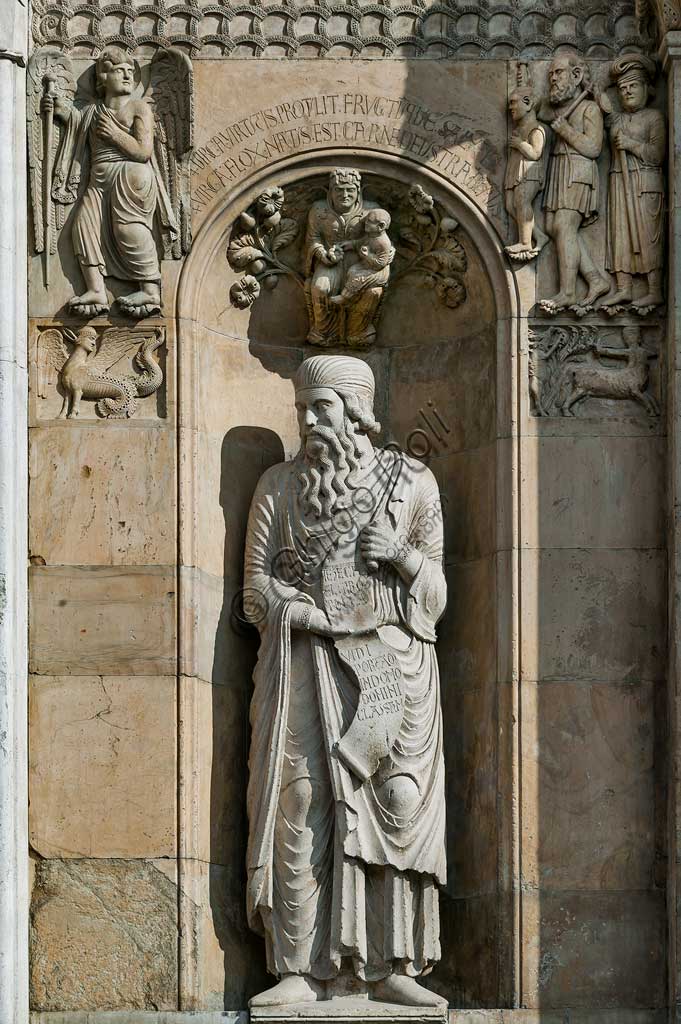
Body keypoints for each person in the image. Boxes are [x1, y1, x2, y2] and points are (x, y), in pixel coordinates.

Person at [243, 355, 447, 1008]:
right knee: (301, 804)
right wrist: (298, 612)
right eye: (303, 407)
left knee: (395, 802)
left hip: (391, 668)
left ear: (355, 410)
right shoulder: (277, 487)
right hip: (305, 662)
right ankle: (298, 967)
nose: (305, 419)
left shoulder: (413, 482)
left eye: (320, 407)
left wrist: (402, 556)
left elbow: (438, 593)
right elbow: (254, 590)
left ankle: (393, 965)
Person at [45, 46, 177, 317]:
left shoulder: (138, 107)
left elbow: (143, 151)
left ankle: (150, 289)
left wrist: (115, 135)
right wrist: (58, 109)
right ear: (103, 78)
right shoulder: (94, 110)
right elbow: (77, 124)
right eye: (120, 71)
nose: (127, 76)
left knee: (129, 230)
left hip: (130, 177)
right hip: (99, 177)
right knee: (83, 226)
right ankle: (96, 289)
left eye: (130, 71)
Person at [542, 54, 610, 309]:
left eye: (558, 72)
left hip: (578, 171)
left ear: (577, 76)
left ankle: (568, 292)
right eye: (551, 75)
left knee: (564, 225)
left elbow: (593, 148)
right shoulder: (561, 108)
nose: (553, 79)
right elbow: (540, 108)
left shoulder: (589, 108)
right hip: (561, 168)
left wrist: (566, 131)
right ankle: (594, 278)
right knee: (552, 226)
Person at [601, 55, 665, 309]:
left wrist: (631, 144)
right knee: (621, 236)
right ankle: (624, 288)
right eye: (622, 88)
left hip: (645, 183)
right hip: (620, 182)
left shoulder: (654, 117)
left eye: (632, 86)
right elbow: (606, 110)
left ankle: (654, 290)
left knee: (648, 237)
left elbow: (657, 154)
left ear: (646, 89)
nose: (626, 92)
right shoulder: (619, 118)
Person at [304, 169, 388, 348]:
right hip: (330, 263)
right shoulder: (319, 210)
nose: (345, 194)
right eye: (339, 190)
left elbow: (382, 239)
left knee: (373, 292)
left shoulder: (371, 210)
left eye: (350, 190)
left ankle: (357, 332)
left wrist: (386, 253)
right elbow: (313, 240)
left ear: (358, 191)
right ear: (330, 191)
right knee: (320, 287)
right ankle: (325, 332)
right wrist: (324, 255)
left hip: (362, 263)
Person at [504, 83, 548, 260]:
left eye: (514, 102)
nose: (510, 107)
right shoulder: (520, 128)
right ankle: (539, 236)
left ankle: (525, 242)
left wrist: (520, 144)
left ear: (528, 103)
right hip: (516, 169)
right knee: (510, 204)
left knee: (522, 201)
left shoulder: (536, 129)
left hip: (529, 172)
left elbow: (536, 153)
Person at [329, 209, 395, 307]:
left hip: (379, 271)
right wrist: (350, 244)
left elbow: (381, 264)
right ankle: (354, 295)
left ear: (381, 226)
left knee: (358, 277)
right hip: (369, 266)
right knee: (352, 270)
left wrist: (368, 256)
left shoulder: (383, 243)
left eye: (369, 222)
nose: (365, 223)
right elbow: (360, 242)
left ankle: (344, 298)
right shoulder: (371, 235)